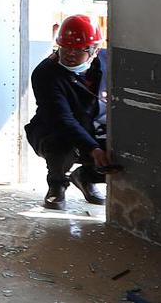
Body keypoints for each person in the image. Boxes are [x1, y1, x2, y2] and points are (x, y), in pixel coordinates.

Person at [24, 14, 113, 210]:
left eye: (78, 50)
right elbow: (62, 119)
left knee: (119, 154)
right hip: (54, 129)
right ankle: (56, 185)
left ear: (95, 50)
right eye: (65, 48)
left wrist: (99, 147)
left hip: (94, 125)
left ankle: (85, 177)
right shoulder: (46, 73)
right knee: (60, 146)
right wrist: (93, 148)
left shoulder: (108, 62)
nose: (70, 54)